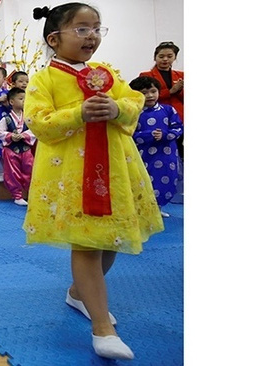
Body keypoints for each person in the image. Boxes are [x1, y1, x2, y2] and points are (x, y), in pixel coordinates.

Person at [25, 3, 164, 360]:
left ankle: (78, 293)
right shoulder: (43, 80)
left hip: (116, 170)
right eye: (82, 29)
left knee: (112, 241)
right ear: (54, 39)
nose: (92, 36)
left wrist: (119, 109)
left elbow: (131, 99)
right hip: (72, 174)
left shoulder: (105, 72)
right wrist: (77, 113)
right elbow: (38, 122)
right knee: (86, 244)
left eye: (97, 28)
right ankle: (102, 327)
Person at [129, 76, 183, 217]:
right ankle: (142, 210)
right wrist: (148, 135)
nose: (150, 96)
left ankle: (157, 208)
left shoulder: (168, 110)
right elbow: (129, 133)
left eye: (153, 91)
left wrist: (165, 135)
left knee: (166, 180)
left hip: (166, 154)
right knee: (143, 180)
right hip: (142, 155)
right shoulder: (133, 113)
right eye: (144, 93)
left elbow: (179, 128)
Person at [139, 41, 184, 160]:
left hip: (178, 117)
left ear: (175, 57)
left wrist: (180, 90)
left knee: (180, 150)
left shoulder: (181, 75)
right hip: (155, 117)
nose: (165, 59)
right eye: (161, 56)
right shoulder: (145, 75)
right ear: (155, 57)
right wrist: (171, 91)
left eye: (169, 56)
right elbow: (143, 96)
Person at [0, 87, 35, 206]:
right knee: (12, 172)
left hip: (26, 149)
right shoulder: (5, 119)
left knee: (30, 169)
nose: (24, 101)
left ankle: (31, 194)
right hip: (11, 150)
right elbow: (0, 132)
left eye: (25, 99)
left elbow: (34, 130)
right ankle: (17, 195)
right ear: (11, 102)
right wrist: (11, 136)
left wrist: (24, 135)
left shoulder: (28, 118)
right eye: (21, 99)